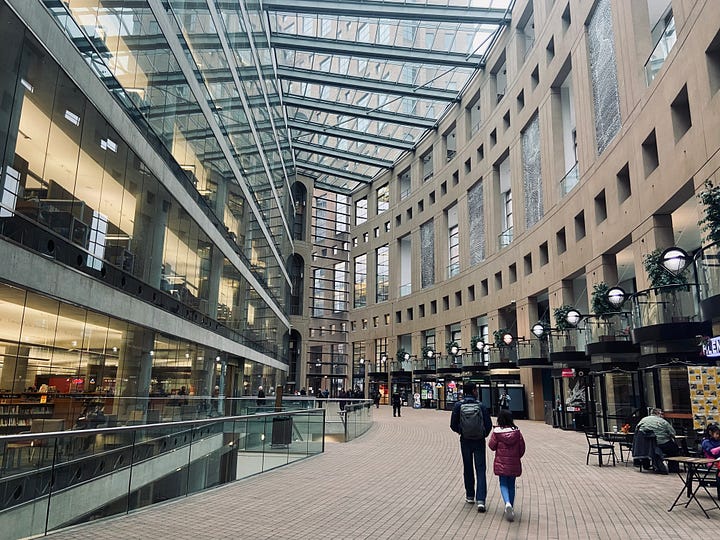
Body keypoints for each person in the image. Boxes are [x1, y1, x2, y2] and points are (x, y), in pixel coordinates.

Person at [450, 382, 492, 512]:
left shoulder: (458, 405)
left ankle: (469, 495)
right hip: (479, 440)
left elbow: (453, 424)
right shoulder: (481, 406)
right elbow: (488, 424)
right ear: (474, 391)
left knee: (467, 467)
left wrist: (461, 431)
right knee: (480, 468)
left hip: (465, 440)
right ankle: (481, 500)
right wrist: (483, 433)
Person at [488, 410, 526, 522]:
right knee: (511, 484)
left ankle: (507, 503)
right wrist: (517, 456)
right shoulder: (517, 432)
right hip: (514, 463)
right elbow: (522, 448)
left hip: (501, 463)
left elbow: (491, 446)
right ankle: (511, 507)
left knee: (503, 483)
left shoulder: (497, 432)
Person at [636, 408, 681, 473]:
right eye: (661, 414)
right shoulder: (662, 421)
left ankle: (646, 465)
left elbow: (637, 431)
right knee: (674, 450)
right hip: (662, 443)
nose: (662, 415)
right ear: (658, 414)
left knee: (650, 447)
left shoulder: (643, 420)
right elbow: (673, 433)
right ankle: (673, 468)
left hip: (647, 445)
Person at [701, 423, 720, 500]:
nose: (718, 436)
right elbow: (713, 452)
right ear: (710, 433)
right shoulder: (706, 442)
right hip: (711, 461)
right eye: (717, 434)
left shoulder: (718, 441)